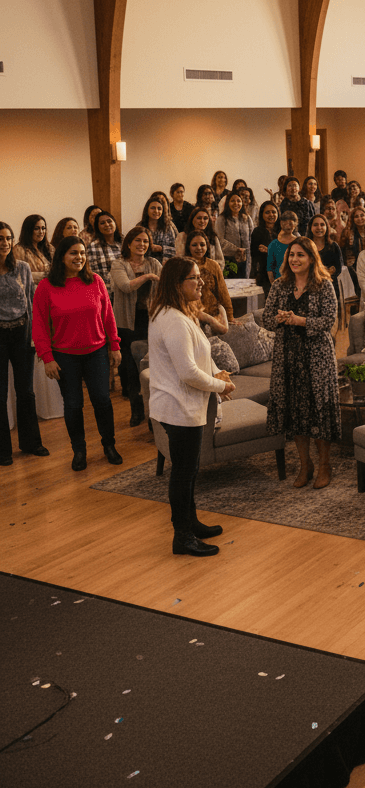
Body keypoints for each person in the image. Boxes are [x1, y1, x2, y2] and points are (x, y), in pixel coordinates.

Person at [147, 256, 234, 557]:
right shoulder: (172, 320)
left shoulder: (182, 313)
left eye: (200, 276)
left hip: (185, 405)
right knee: (183, 473)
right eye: (194, 278)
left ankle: (191, 522)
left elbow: (198, 355)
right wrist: (221, 386)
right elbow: (186, 372)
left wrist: (215, 372)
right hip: (178, 407)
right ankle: (182, 537)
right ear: (176, 284)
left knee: (190, 470)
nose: (201, 282)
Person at [32, 236, 122, 471]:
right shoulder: (46, 287)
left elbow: (108, 316)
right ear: (61, 256)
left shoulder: (95, 281)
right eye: (73, 252)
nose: (79, 257)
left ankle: (109, 445)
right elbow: (39, 324)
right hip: (64, 357)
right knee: (73, 405)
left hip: (97, 352)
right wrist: (47, 357)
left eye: (82, 253)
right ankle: (79, 451)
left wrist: (115, 345)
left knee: (102, 401)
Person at [262, 237, 340, 489]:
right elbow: (266, 319)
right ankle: (305, 466)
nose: (294, 259)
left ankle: (325, 465)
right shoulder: (279, 285)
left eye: (300, 255)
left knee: (319, 410)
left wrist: (300, 320)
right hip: (288, 356)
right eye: (291, 255)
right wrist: (280, 318)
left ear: (311, 258)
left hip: (317, 357)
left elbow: (328, 320)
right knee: (296, 412)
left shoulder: (324, 285)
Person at [0, 222, 47, 464]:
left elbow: (30, 302)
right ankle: (2, 451)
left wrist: (34, 338)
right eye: (0, 238)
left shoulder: (22, 268)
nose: (5, 243)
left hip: (21, 333)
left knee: (25, 392)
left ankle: (31, 443)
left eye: (8, 238)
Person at [110, 226, 162, 427]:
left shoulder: (154, 262)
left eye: (146, 241)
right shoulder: (119, 264)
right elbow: (125, 286)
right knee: (131, 369)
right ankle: (137, 411)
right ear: (129, 244)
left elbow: (164, 285)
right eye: (138, 241)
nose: (142, 245)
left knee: (151, 367)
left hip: (151, 321)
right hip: (127, 324)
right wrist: (148, 277)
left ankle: (154, 413)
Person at [186, 229, 234, 323]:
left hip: (213, 315)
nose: (199, 248)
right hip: (191, 316)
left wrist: (230, 316)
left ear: (207, 246)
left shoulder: (213, 265)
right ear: (188, 247)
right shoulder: (183, 265)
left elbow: (223, 292)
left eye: (202, 245)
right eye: (194, 245)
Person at [215, 192, 253, 278]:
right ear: (227, 203)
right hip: (228, 258)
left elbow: (252, 237)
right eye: (232, 201)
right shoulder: (221, 219)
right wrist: (236, 249)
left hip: (245, 259)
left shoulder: (247, 218)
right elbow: (219, 240)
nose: (236, 203)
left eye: (238, 201)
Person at [308, 213, 342, 304]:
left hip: (330, 288)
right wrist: (326, 271)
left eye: (322, 224)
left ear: (327, 227)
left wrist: (323, 274)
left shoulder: (334, 246)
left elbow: (338, 268)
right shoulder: (305, 247)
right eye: (315, 225)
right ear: (310, 228)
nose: (319, 228)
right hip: (309, 288)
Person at [250, 200, 279, 292]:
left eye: (274, 212)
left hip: (282, 272)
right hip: (264, 274)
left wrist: (269, 250)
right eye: (267, 212)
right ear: (262, 214)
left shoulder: (282, 231)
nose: (271, 215)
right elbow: (254, 255)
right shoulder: (257, 232)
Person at [14, 214, 53, 282]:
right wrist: (45, 275)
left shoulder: (49, 248)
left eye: (43, 228)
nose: (41, 232)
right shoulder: (19, 249)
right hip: (31, 290)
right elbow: (18, 275)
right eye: (36, 228)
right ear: (28, 230)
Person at [267, 210, 299, 282]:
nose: (288, 226)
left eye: (290, 224)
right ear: (281, 223)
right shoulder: (273, 244)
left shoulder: (300, 242)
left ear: (295, 224)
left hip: (297, 281)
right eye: (285, 223)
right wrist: (273, 285)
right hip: (279, 281)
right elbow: (269, 269)